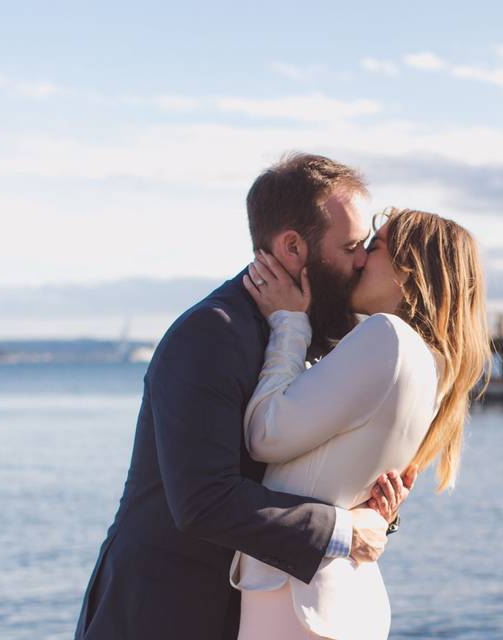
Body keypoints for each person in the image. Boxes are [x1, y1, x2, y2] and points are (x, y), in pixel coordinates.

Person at [74, 154, 415, 640]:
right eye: (352, 246)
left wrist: (378, 505)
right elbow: (203, 501)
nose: (363, 260)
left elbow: (313, 469)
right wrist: (343, 531)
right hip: (163, 613)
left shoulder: (324, 336)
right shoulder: (212, 334)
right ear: (294, 248)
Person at [233, 208, 492, 639]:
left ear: (409, 271)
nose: (359, 260)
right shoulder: (436, 366)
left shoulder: (386, 337)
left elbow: (264, 434)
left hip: (295, 600)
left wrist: (289, 325)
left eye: (374, 248)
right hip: (343, 598)